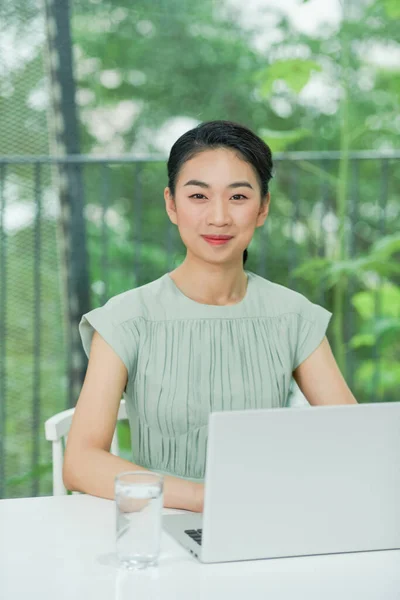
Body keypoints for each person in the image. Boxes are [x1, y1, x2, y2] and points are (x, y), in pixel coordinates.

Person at [63, 120, 358, 511]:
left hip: (263, 520)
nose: (219, 217)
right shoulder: (127, 318)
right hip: (158, 527)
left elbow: (356, 440)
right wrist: (207, 498)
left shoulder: (293, 316)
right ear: (171, 204)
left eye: (238, 197)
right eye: (199, 196)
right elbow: (81, 463)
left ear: (263, 207)